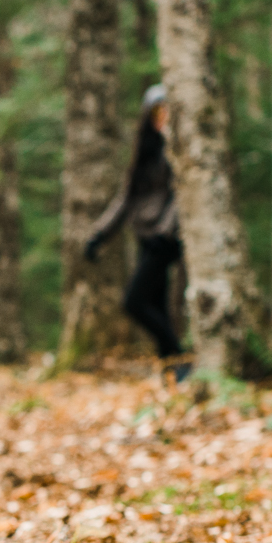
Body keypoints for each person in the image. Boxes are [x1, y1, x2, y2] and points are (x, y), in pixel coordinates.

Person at [84, 84, 185, 368]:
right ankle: (172, 368)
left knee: (134, 302)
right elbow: (126, 199)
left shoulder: (177, 148)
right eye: (156, 112)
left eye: (166, 111)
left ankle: (179, 355)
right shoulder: (144, 151)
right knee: (157, 304)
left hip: (163, 240)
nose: (161, 117)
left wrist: (165, 232)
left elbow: (181, 194)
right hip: (143, 235)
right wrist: (100, 235)